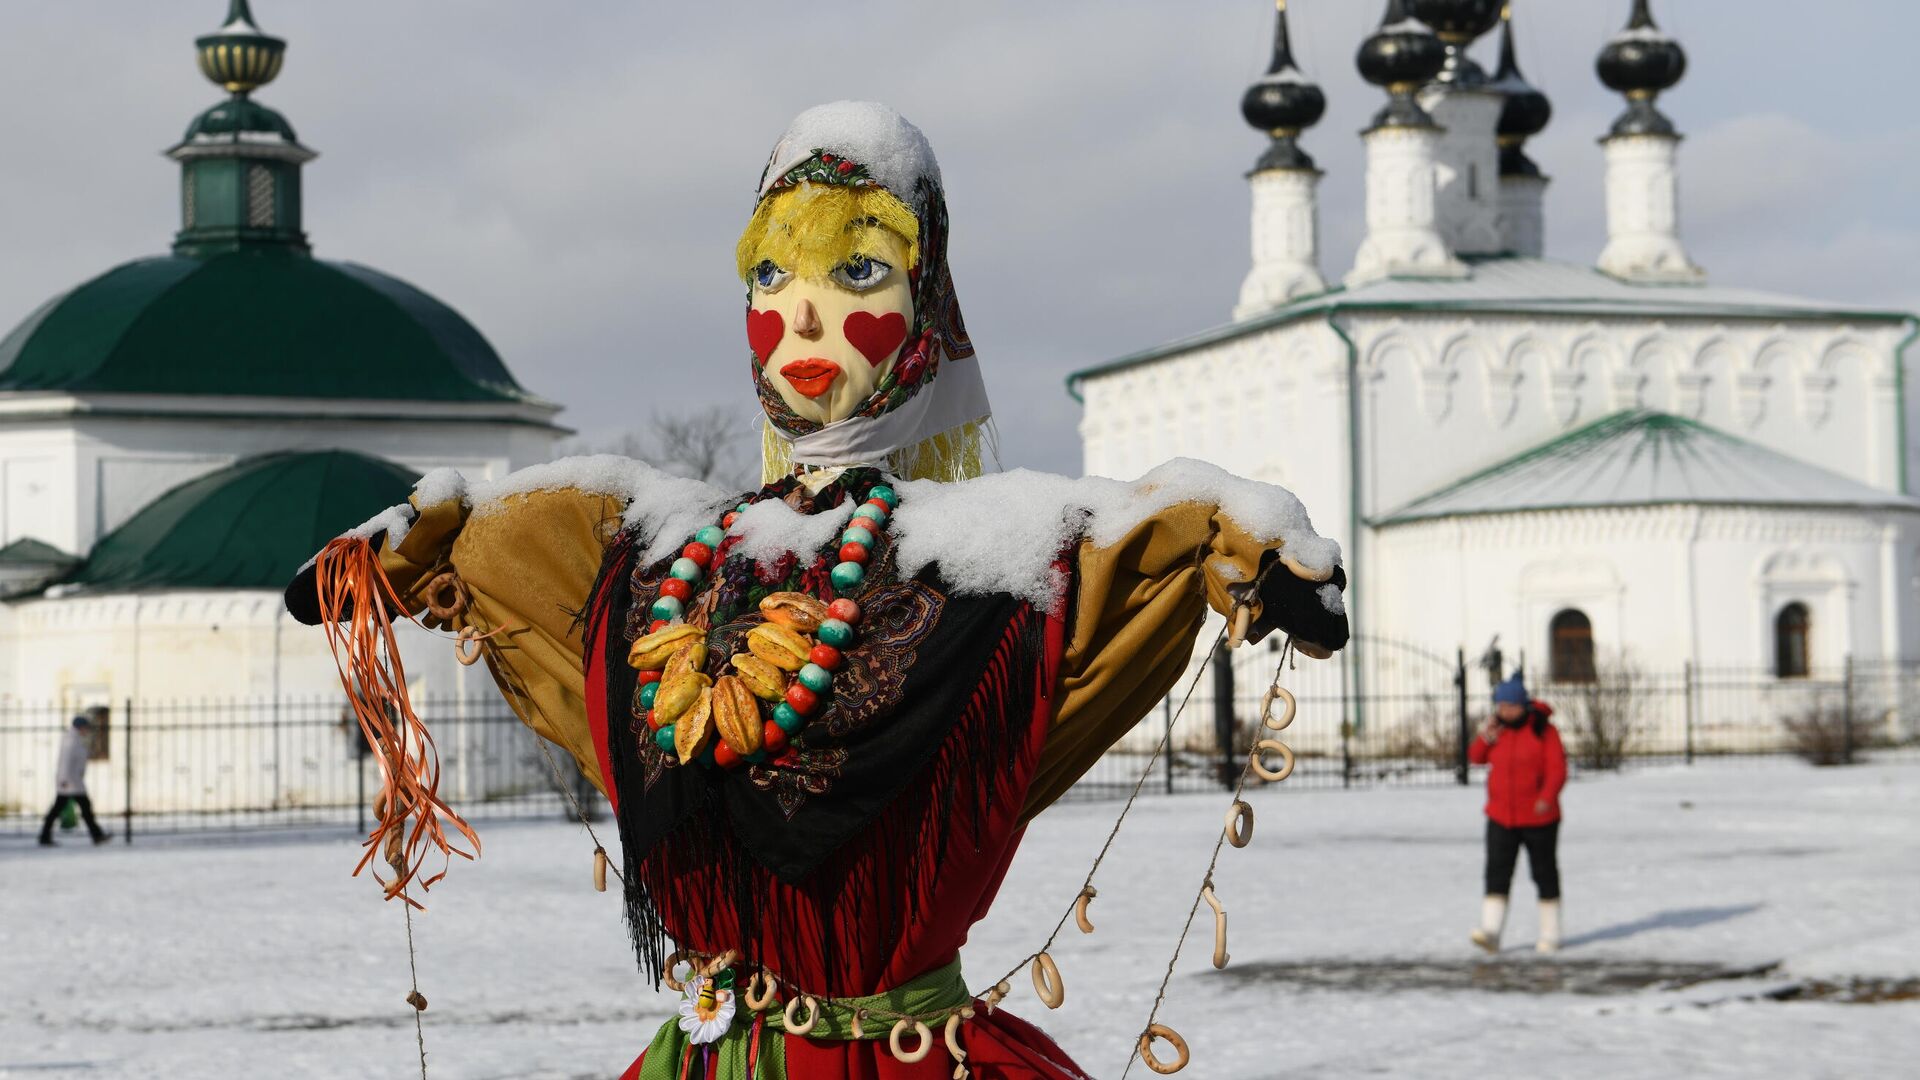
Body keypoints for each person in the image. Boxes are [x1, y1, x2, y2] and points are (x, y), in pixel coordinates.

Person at [290, 101, 1350, 1079]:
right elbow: (515, 533)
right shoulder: (662, 555)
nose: (802, 319)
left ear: (925, 303)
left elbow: (1158, 531)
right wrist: (413, 553)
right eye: (771, 278)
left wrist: (1244, 539)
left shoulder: (1001, 563)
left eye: (855, 274)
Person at [1467, 672, 1566, 954]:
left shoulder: (1544, 731)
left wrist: (1546, 797)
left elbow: (1557, 769)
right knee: (1497, 873)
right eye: (1500, 706)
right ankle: (1491, 932)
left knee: (1544, 873)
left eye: (1510, 706)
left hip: (1539, 818)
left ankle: (1551, 934)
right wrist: (1486, 738)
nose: (1504, 711)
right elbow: (1475, 758)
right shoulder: (1497, 730)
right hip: (1501, 816)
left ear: (1523, 705)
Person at [38, 710, 111, 847]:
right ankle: (44, 836)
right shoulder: (71, 740)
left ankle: (97, 835)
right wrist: (64, 781)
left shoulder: (75, 739)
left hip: (74, 782)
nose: (87, 730)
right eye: (86, 728)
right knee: (60, 810)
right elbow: (65, 761)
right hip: (69, 783)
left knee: (82, 809)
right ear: (80, 727)